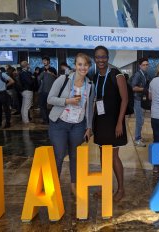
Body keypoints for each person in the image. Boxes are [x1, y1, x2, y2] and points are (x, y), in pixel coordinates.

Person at [48, 53, 95, 196]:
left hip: (78, 125)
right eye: (80, 64)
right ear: (75, 65)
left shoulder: (90, 85)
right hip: (59, 124)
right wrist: (67, 101)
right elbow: (50, 99)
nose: (82, 67)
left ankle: (74, 185)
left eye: (85, 65)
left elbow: (89, 108)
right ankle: (54, 186)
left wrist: (89, 127)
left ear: (89, 67)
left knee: (75, 156)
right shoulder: (63, 79)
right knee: (59, 155)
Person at [93, 46, 128, 202]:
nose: (101, 60)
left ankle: (121, 189)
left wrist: (120, 122)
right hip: (101, 121)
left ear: (108, 58)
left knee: (113, 156)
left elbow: (125, 99)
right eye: (98, 57)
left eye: (103, 57)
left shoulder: (116, 74)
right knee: (103, 155)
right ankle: (105, 185)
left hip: (114, 121)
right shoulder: (95, 76)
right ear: (94, 58)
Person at [131, 57, 150, 147]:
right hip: (137, 99)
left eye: (147, 65)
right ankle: (137, 139)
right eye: (144, 65)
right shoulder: (138, 74)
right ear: (140, 66)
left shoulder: (145, 74)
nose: (145, 66)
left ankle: (139, 136)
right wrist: (144, 89)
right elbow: (133, 87)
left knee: (141, 119)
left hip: (141, 99)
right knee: (139, 120)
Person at [0, 63, 15, 128]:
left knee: (6, 109)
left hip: (3, 93)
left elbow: (12, 81)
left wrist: (5, 86)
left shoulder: (3, 74)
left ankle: (8, 123)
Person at [38, 56, 57, 124]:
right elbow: (38, 79)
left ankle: (51, 119)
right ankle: (45, 120)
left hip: (51, 90)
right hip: (43, 90)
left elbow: (57, 78)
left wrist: (52, 74)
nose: (44, 62)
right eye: (43, 60)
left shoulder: (53, 69)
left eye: (45, 60)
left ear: (48, 61)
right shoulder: (41, 69)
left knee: (51, 106)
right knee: (42, 105)